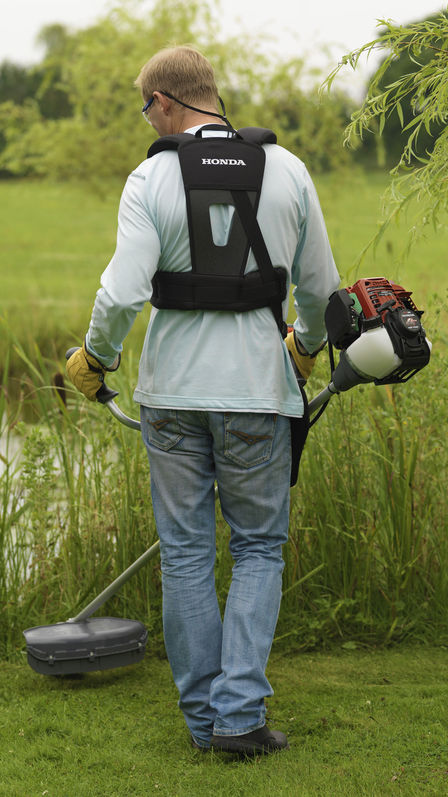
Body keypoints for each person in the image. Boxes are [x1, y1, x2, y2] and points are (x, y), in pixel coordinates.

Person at [66, 45, 339, 755]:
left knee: (186, 553)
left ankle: (201, 721)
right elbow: (320, 290)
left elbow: (123, 291)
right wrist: (304, 345)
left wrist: (94, 359)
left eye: (144, 105)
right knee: (257, 549)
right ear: (211, 95)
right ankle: (239, 716)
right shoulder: (289, 171)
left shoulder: (149, 177)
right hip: (256, 390)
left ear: (163, 102)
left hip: (172, 395)